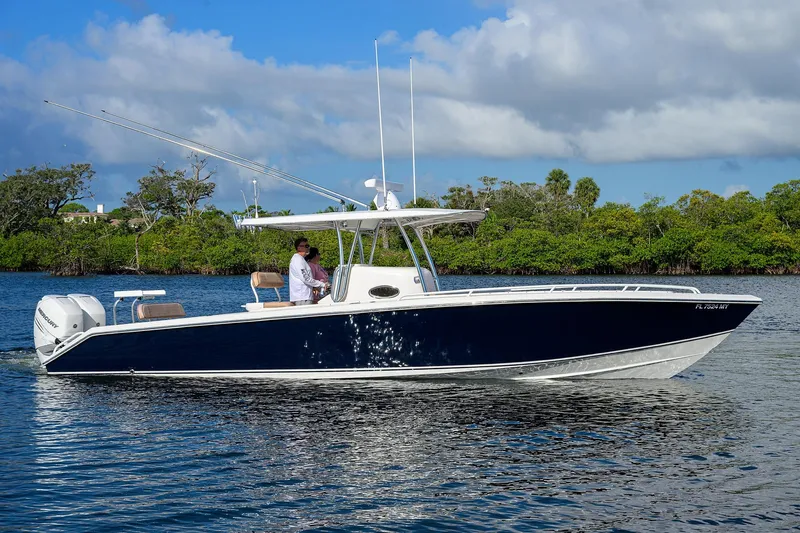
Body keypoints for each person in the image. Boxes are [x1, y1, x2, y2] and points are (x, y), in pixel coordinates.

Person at [289, 237, 328, 305]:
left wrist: (315, 287)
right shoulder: (297, 260)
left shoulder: (301, 260)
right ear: (299, 248)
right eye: (306, 246)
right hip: (302, 297)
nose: (308, 248)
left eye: (308, 246)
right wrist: (322, 284)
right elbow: (305, 278)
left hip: (305, 296)